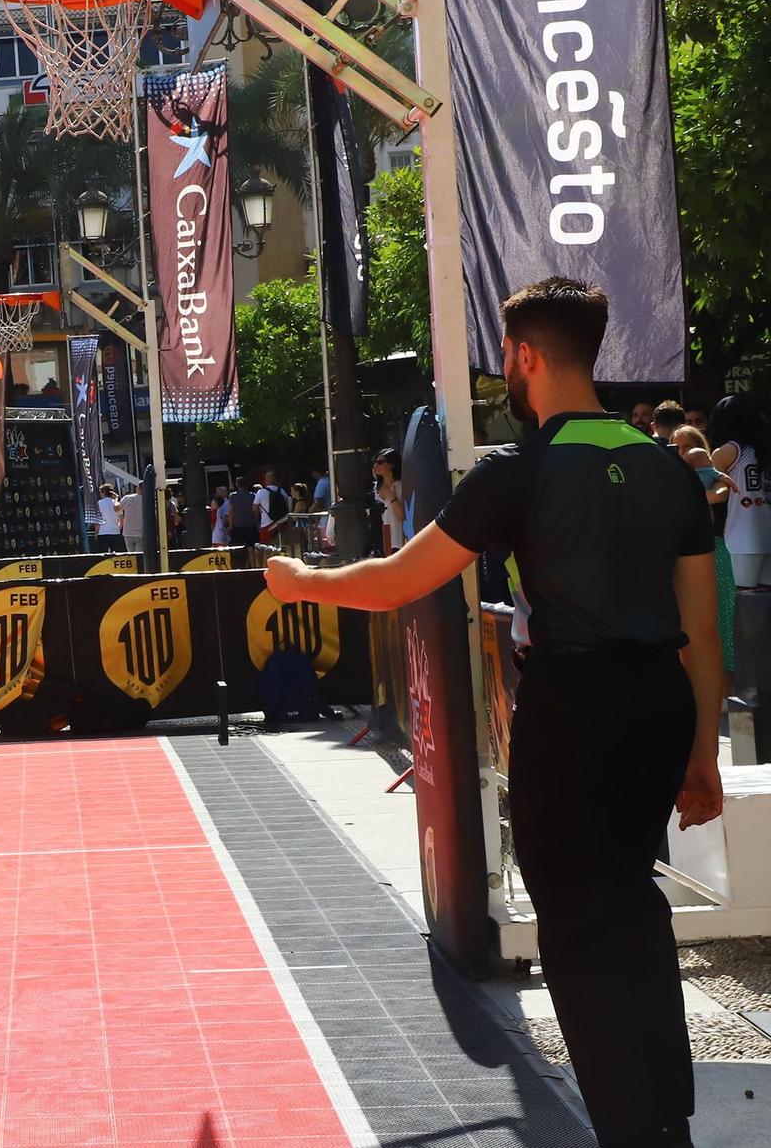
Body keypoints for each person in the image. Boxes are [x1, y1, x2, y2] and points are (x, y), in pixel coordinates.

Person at [265, 277, 723, 1148]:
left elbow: (403, 577)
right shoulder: (667, 465)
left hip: (574, 708)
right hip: (657, 708)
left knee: (579, 924)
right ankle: (666, 1117)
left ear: (524, 356)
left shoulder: (524, 468)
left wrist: (303, 581)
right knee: (632, 902)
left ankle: (633, 1130)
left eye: (504, 360)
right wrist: (701, 753)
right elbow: (701, 633)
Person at [673, 425, 737, 675]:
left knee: (719, 616)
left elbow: (720, 495)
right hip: (681, 552)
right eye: (677, 447)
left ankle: (725, 685)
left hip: (715, 549)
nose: (682, 452)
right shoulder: (670, 476)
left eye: (687, 446)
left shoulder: (711, 473)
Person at [710, 394, 769, 591]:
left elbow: (717, 493)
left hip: (742, 539)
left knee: (742, 604)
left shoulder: (730, 450)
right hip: (766, 535)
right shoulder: (765, 449)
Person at [373, 448, 407, 555]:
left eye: (380, 462)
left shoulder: (401, 486)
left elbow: (402, 516)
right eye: (375, 463)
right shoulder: (376, 488)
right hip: (380, 539)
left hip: (398, 539)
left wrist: (391, 496)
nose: (376, 466)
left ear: (391, 464)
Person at [95, 485, 125, 552]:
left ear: (103, 492)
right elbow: (121, 519)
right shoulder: (116, 504)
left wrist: (96, 533)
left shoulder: (99, 503)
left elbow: (97, 520)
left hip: (102, 533)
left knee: (102, 556)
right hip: (115, 533)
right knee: (117, 555)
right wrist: (118, 528)